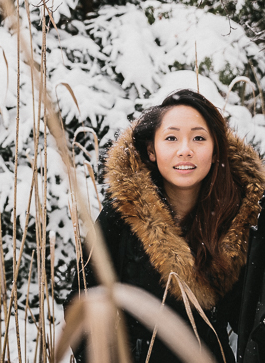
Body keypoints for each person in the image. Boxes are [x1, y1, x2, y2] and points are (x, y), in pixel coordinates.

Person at [64, 89, 265, 363]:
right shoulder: (123, 216)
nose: (185, 150)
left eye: (198, 138)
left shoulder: (241, 221)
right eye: (171, 138)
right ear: (151, 150)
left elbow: (252, 322)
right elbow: (84, 304)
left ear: (216, 149)